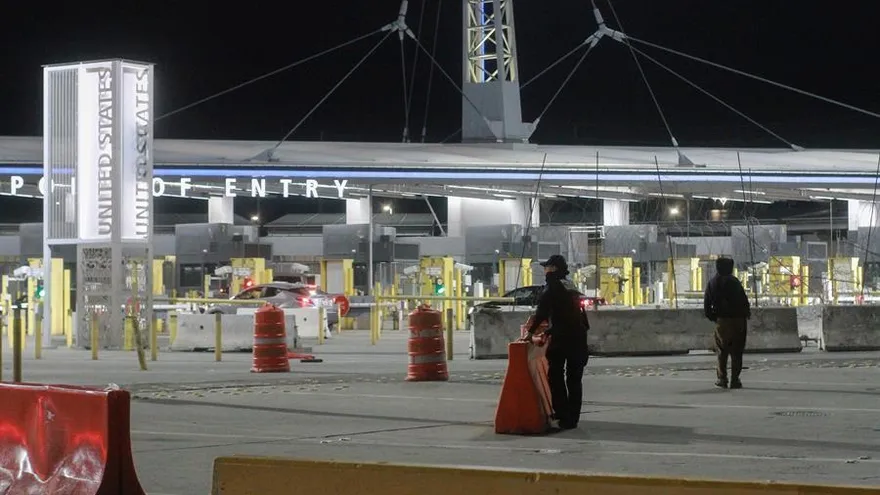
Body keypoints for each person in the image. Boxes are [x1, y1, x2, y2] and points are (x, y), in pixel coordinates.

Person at [523, 254, 590, 430]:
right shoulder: (570, 285)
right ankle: (572, 419)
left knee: (556, 376)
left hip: (562, 339)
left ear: (552, 269)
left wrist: (530, 334)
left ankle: (562, 415)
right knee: (575, 380)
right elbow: (572, 314)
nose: (545, 270)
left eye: (546, 267)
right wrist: (551, 330)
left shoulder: (551, 287)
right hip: (578, 337)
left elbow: (542, 312)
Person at [703, 256, 751, 389]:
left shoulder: (712, 283)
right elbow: (744, 301)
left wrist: (715, 318)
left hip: (722, 321)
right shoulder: (735, 282)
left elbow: (707, 305)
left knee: (722, 351)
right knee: (737, 352)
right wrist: (745, 315)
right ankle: (735, 379)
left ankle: (722, 378)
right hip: (738, 321)